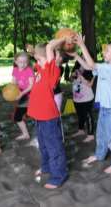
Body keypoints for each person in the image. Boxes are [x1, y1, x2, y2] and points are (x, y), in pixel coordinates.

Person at [67, 36, 111, 174]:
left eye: (107, 50)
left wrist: (81, 45)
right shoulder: (105, 67)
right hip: (104, 108)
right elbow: (88, 66)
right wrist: (76, 56)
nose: (104, 52)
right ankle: (100, 155)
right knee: (100, 134)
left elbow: (92, 65)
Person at [27, 39, 69, 189]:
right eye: (36, 59)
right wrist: (36, 52)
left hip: (49, 118)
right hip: (39, 118)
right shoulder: (40, 68)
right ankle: (46, 167)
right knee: (43, 145)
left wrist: (64, 39)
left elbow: (50, 46)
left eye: (39, 58)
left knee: (54, 147)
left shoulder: (52, 71)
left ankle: (59, 175)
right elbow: (39, 54)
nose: (36, 61)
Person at [70, 62, 96, 142]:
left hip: (87, 98)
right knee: (80, 115)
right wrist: (72, 76)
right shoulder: (76, 68)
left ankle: (91, 135)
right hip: (77, 98)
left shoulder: (91, 69)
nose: (82, 58)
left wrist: (81, 77)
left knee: (88, 116)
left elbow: (90, 84)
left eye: (84, 57)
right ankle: (80, 130)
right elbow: (71, 79)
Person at [11, 52, 34, 140]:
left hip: (29, 97)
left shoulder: (29, 70)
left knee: (18, 116)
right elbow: (13, 83)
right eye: (20, 62)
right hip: (21, 97)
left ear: (28, 62)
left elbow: (31, 86)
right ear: (16, 61)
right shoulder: (15, 70)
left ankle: (28, 134)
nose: (23, 64)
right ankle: (26, 134)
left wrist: (21, 94)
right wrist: (11, 92)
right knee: (18, 117)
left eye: (25, 62)